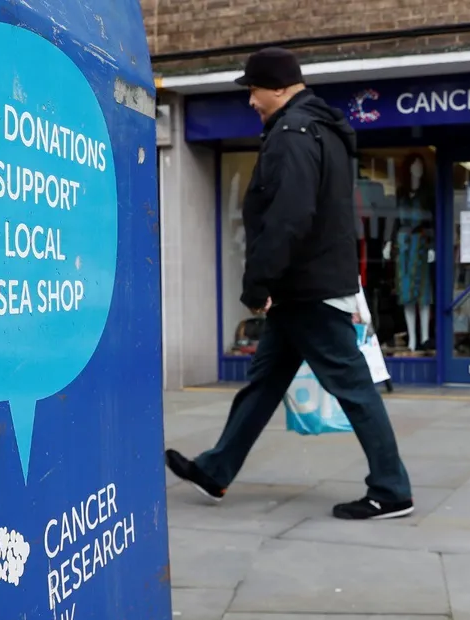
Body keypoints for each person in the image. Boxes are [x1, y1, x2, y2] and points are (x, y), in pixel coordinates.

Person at [165, 47, 414, 520]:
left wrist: (259, 283)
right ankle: (216, 470)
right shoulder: (321, 129)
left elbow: (289, 216)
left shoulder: (293, 133)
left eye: (254, 90)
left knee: (354, 388)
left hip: (307, 289)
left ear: (278, 88)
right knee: (263, 384)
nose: (251, 101)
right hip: (306, 286)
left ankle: (391, 488)